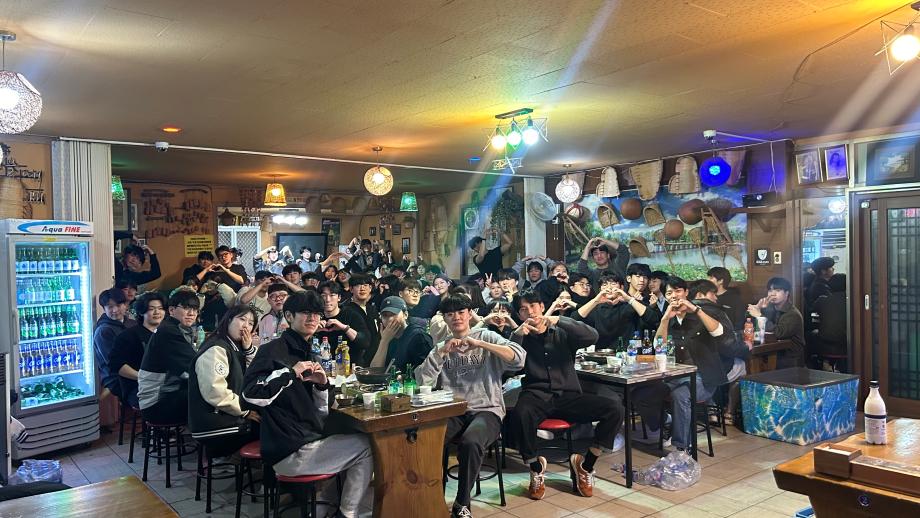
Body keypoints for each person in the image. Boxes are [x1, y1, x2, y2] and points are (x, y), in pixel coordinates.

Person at [242, 291, 373, 518]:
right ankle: (346, 513)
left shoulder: (307, 350)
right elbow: (249, 395)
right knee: (366, 446)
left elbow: (319, 414)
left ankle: (326, 508)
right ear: (289, 316)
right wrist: (289, 373)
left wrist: (321, 386)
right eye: (305, 312)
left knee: (353, 440)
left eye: (316, 313)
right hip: (289, 450)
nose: (312, 318)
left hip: (303, 440)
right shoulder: (272, 350)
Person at [414, 294, 525, 518]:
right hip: (453, 411)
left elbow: (518, 358)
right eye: (450, 314)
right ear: (445, 318)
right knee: (425, 440)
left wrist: (480, 344)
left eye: (461, 312)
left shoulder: (486, 336)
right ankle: (428, 497)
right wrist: (442, 352)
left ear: (470, 314)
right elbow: (422, 381)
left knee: (471, 441)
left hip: (487, 410)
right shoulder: (441, 346)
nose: (456, 317)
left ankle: (462, 503)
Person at [510, 290, 623, 500]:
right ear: (519, 315)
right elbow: (509, 363)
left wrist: (559, 319)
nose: (530, 312)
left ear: (542, 307)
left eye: (533, 306)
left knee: (614, 408)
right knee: (520, 414)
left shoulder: (561, 331)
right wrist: (517, 334)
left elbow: (592, 336)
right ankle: (536, 468)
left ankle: (586, 465)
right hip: (536, 394)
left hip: (568, 395)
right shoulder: (520, 336)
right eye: (524, 309)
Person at [638, 276, 731, 451]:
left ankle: (681, 450)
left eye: (678, 291)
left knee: (680, 396)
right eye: (669, 293)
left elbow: (720, 333)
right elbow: (658, 347)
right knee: (641, 392)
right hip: (674, 377)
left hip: (703, 378)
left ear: (686, 292)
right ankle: (667, 422)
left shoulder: (702, 312)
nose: (674, 296)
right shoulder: (669, 319)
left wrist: (696, 310)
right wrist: (665, 319)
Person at [188, 305, 260, 457]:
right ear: (228, 320)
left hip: (227, 417)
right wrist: (245, 410)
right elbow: (215, 392)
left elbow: (253, 374)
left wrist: (248, 350)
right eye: (242, 319)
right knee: (274, 428)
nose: (246, 326)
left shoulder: (233, 346)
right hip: (215, 424)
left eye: (251, 323)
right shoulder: (216, 348)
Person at [137, 290, 200, 424]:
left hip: (167, 395)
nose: (191, 313)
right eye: (186, 308)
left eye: (195, 309)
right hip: (157, 403)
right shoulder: (169, 331)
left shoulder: (176, 328)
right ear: (171, 310)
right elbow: (195, 364)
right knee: (209, 397)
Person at [111, 292, 166, 409]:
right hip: (138, 387)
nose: (157, 312)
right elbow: (117, 365)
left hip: (165, 384)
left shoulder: (167, 334)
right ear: (141, 312)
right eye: (151, 309)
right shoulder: (128, 335)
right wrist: (144, 377)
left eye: (161, 308)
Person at [575, 273, 658, 349]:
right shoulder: (596, 309)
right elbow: (574, 320)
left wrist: (629, 299)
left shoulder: (632, 305)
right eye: (605, 285)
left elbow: (653, 319)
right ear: (600, 290)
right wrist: (596, 300)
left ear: (621, 287)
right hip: (601, 354)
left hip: (628, 353)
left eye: (613, 284)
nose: (609, 288)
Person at [747, 277, 805, 368]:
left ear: (786, 293)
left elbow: (779, 333)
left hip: (789, 358)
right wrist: (758, 308)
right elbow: (748, 322)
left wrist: (759, 316)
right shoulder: (770, 308)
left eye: (777, 290)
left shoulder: (793, 314)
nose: (773, 294)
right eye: (770, 290)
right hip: (772, 353)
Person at [93, 288, 135, 402]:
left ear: (125, 305)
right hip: (116, 378)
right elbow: (113, 363)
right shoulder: (103, 331)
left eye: (118, 305)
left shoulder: (131, 323)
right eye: (110, 307)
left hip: (134, 372)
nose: (115, 310)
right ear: (104, 309)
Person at [369, 296, 433, 370]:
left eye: (393, 314)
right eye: (385, 315)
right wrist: (384, 341)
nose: (389, 319)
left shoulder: (418, 336)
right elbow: (374, 371)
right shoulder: (385, 336)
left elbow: (427, 372)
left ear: (405, 315)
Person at [316, 281, 368, 365]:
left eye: (332, 295)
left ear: (339, 297)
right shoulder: (315, 316)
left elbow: (365, 342)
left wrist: (345, 328)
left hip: (350, 366)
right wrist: (313, 330)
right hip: (322, 365)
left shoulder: (351, 315)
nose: (327, 300)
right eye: (323, 296)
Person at [342, 274, 380, 366]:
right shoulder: (346, 310)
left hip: (375, 358)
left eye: (365, 285)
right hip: (354, 361)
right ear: (351, 289)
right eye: (358, 285)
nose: (362, 289)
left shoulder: (372, 309)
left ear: (370, 288)